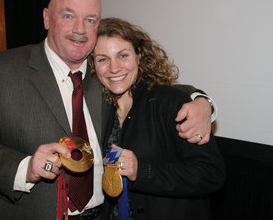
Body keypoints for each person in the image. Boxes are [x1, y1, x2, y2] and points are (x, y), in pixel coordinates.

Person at [0, 0, 216, 219]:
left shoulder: (101, 72)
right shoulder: (1, 70)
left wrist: (201, 101)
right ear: (47, 18)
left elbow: (152, 86)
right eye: (69, 15)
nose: (80, 29)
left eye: (91, 20)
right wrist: (25, 168)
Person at [90, 17, 225, 219]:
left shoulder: (171, 103)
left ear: (139, 56)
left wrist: (142, 171)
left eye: (123, 55)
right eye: (103, 59)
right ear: (93, 64)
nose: (114, 68)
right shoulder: (101, 106)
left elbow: (211, 173)